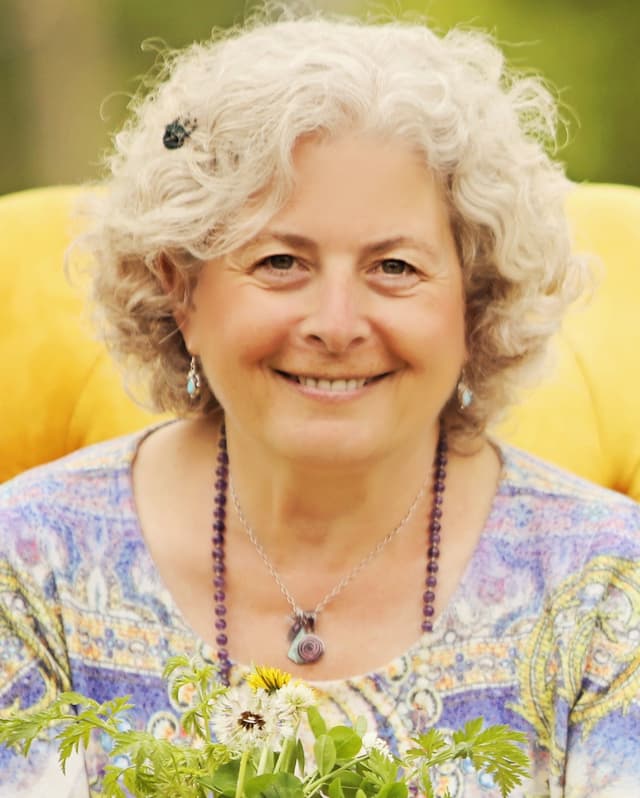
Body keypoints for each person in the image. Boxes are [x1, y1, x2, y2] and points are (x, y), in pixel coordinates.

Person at [1, 9, 639, 797]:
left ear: (475, 303)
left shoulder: (611, 589)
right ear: (182, 290)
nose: (336, 326)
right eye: (280, 262)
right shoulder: (27, 566)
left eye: (395, 268)